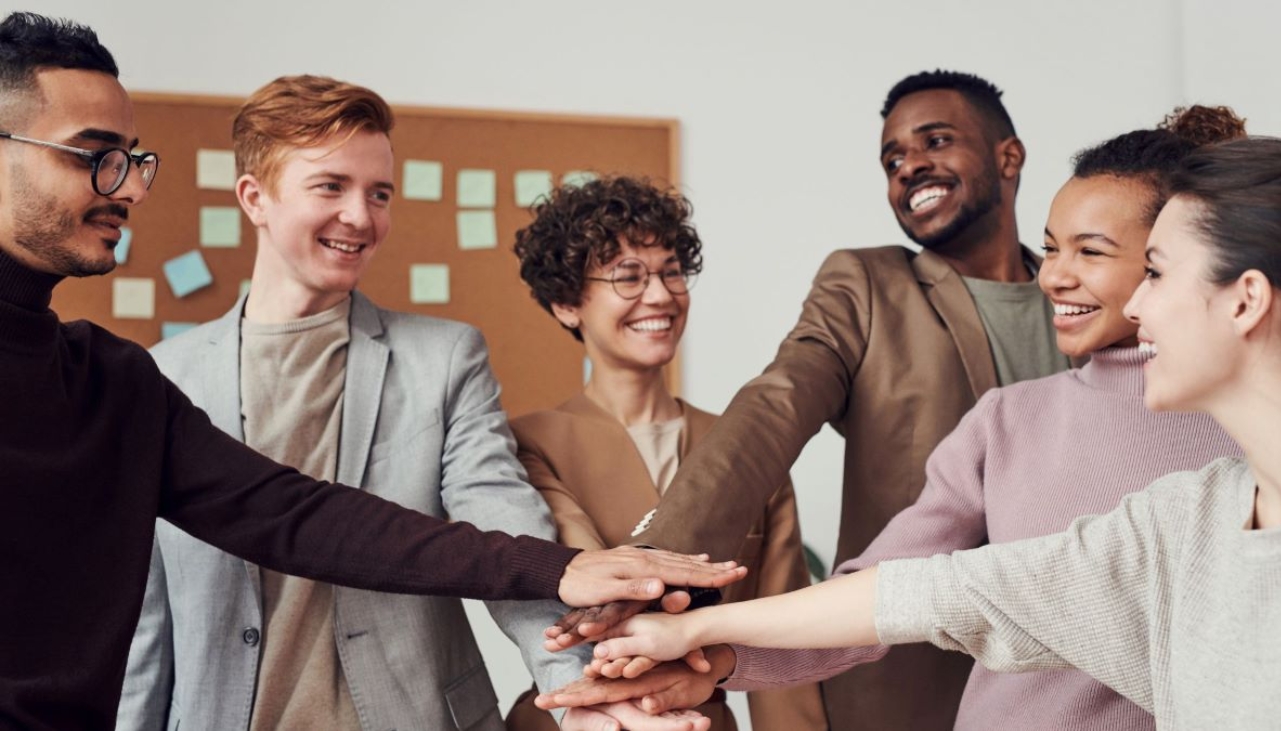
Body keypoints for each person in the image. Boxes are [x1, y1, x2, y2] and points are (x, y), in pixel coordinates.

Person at [0, 13, 739, 731]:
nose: (127, 187)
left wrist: (564, 622)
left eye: (379, 193)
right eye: (92, 154)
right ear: (255, 198)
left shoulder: (113, 383)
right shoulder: (167, 373)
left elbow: (304, 516)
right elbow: (149, 628)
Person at [552, 135, 1281, 730]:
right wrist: (701, 646)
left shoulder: (1211, 482)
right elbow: (929, 588)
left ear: (1245, 300)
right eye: (1054, 247)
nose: (1058, 277)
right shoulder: (1171, 513)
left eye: (1148, 270)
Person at [548, 69, 1067, 730]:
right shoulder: (869, 286)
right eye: (893, 159)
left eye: (935, 141)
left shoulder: (1095, 302)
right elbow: (772, 411)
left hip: (1077, 678)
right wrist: (658, 568)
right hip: (911, 682)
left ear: (1007, 156)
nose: (910, 167)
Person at [505, 176, 827, 731]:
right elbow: (586, 600)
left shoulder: (745, 443)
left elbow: (783, 638)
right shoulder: (527, 442)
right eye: (628, 277)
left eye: (671, 272)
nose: (659, 296)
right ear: (565, 303)